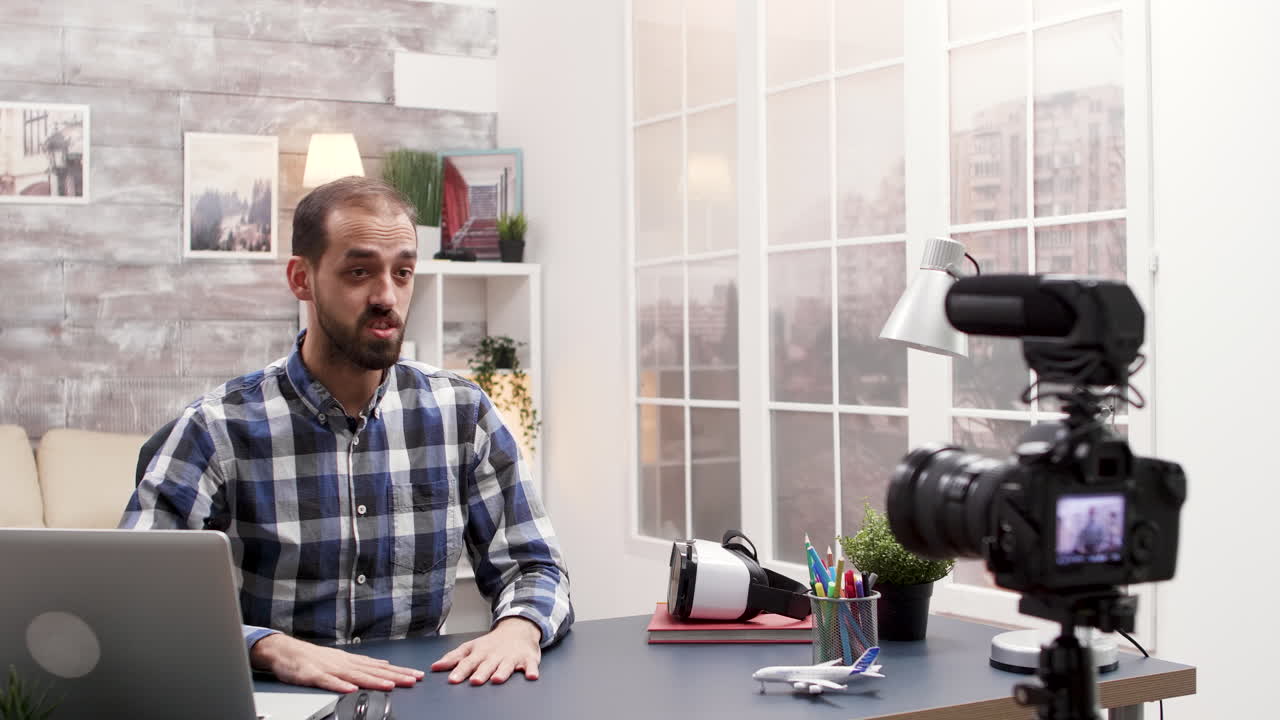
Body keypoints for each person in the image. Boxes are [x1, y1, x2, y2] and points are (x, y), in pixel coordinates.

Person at [121, 176, 573, 693]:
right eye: (359, 272)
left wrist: (519, 627)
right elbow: (136, 592)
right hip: (275, 698)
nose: (387, 296)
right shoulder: (216, 427)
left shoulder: (461, 412)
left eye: (402, 272)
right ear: (302, 279)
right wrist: (266, 647)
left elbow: (535, 565)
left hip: (417, 694)